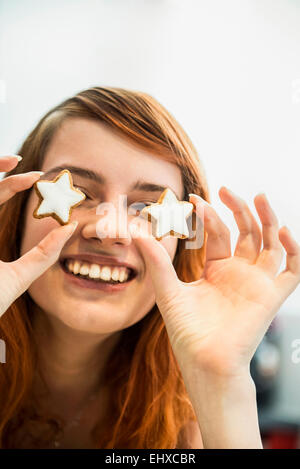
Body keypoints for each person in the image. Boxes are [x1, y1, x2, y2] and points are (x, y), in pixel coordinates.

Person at [0, 87, 299, 449]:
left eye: (145, 209)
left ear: (181, 243)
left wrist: (221, 382)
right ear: (15, 214)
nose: (109, 231)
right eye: (77, 192)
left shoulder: (189, 420)